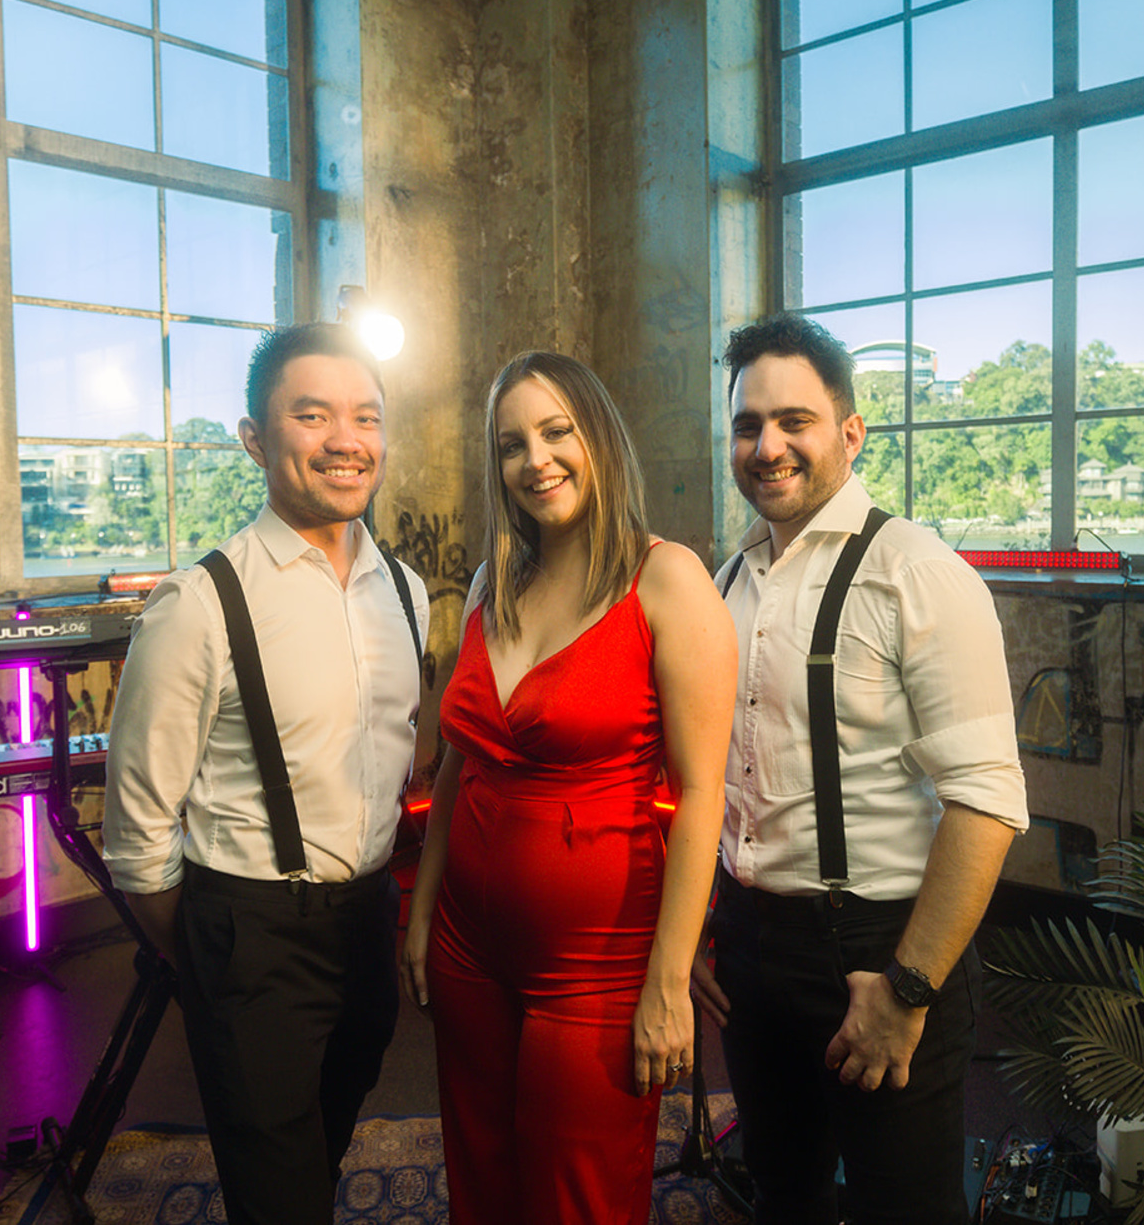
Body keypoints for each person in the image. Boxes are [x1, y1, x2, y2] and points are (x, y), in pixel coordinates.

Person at [691, 314, 1029, 1225]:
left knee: (903, 1208)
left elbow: (987, 802)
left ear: (850, 432)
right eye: (748, 425)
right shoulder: (728, 582)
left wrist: (909, 988)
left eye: (793, 421)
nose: (767, 446)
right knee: (784, 1194)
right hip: (753, 944)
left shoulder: (916, 572)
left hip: (882, 947)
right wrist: (701, 929)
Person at [102, 322, 428, 1225]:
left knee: (326, 1139)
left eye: (366, 416)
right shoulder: (199, 602)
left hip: (367, 919)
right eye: (311, 415)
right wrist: (214, 956)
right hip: (250, 932)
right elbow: (137, 837)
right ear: (254, 439)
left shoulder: (407, 592)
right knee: (275, 1189)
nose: (345, 440)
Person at [401, 350, 735, 1224]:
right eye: (511, 444)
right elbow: (458, 759)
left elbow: (703, 796)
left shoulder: (668, 579)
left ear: (600, 439)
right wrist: (424, 910)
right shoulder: (494, 581)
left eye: (557, 432)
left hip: (595, 959)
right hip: (467, 944)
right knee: (481, 1178)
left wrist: (669, 980)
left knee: (577, 1196)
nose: (535, 460)